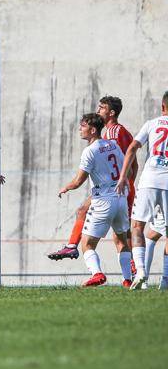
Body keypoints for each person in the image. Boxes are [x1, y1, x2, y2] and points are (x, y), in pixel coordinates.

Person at [49, 96, 138, 268]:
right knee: (119, 234)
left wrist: (121, 183)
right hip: (122, 188)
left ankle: (134, 269)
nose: (98, 111)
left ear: (111, 113)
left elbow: (121, 162)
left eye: (101, 108)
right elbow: (133, 163)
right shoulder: (120, 131)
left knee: (120, 235)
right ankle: (72, 246)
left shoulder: (111, 134)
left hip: (116, 189)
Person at [57, 113, 132, 287]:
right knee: (122, 241)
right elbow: (125, 168)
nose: (80, 129)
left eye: (82, 126)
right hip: (121, 199)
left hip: (103, 201)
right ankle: (128, 280)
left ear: (92, 130)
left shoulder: (89, 151)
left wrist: (66, 187)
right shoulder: (113, 144)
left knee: (87, 244)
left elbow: (78, 181)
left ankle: (97, 274)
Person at [115, 91, 168, 290]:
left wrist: (123, 177)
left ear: (162, 106)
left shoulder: (151, 123)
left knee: (137, 226)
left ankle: (141, 273)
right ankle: (165, 281)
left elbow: (132, 148)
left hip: (149, 180)